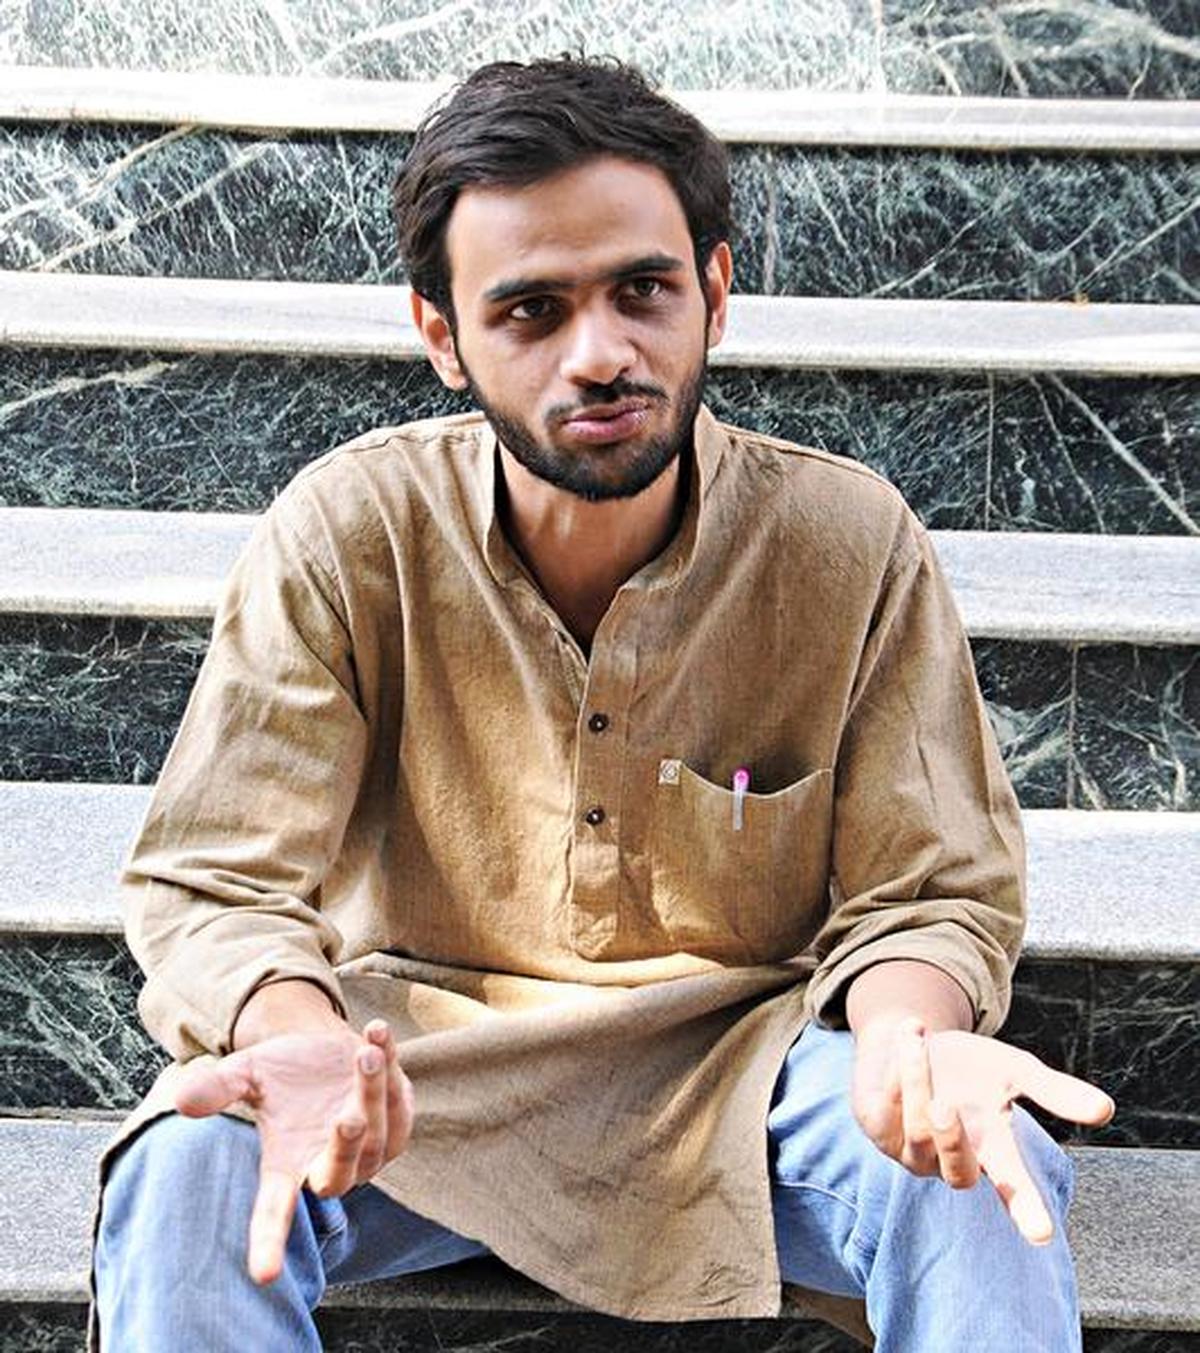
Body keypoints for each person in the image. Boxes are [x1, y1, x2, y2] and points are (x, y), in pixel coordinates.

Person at [91, 56, 1114, 1352]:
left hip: (745, 1067)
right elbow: (215, 878)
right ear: (442, 337)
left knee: (976, 1162)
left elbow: (932, 886)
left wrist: (910, 1042)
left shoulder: (845, 540)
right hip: (410, 1063)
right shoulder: (351, 534)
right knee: (190, 1167)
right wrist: (297, 1034)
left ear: (716, 293)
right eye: (531, 310)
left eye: (643, 290)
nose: (601, 354)